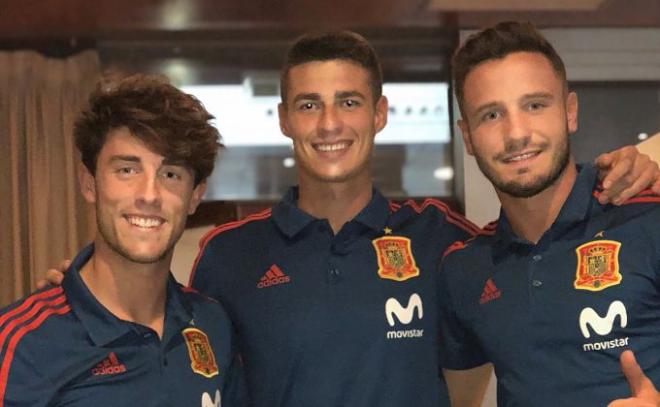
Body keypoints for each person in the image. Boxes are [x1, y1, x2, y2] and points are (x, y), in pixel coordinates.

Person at [44, 32, 660, 407]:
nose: (330, 124)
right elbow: (161, 333)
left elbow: (471, 380)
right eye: (310, 105)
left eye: (349, 102)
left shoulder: (447, 241)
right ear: (284, 119)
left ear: (381, 114)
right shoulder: (227, 254)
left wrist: (646, 155)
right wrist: (80, 293)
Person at [437, 21, 660, 406]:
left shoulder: (646, 218)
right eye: (491, 115)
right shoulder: (464, 268)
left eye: (535, 105)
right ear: (468, 137)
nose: (517, 133)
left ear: (570, 112)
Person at [0, 74, 246, 406]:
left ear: (194, 197)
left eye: (170, 174)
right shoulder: (23, 344)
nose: (149, 195)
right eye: (127, 170)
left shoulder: (212, 324)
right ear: (89, 184)